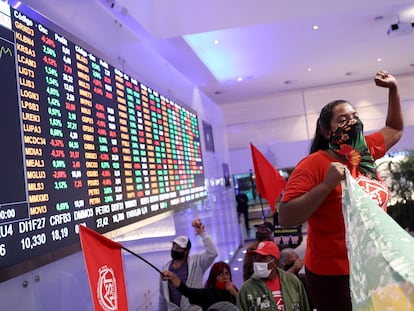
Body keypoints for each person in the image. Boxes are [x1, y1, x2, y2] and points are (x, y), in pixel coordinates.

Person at [279, 70, 403, 311]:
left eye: (355, 116)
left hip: (372, 264)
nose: (352, 122)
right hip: (333, 275)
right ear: (327, 132)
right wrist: (326, 185)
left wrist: (393, 89)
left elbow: (395, 128)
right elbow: (286, 216)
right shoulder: (314, 164)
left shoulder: (364, 151)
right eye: (343, 119)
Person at [158, 218, 218, 311]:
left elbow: (213, 253)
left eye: (178, 248)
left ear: (186, 251)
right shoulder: (166, 268)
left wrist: (202, 233)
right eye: (173, 246)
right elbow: (163, 297)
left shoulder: (197, 262)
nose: (174, 249)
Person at [237, 241, 310, 311]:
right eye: (256, 258)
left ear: (275, 262)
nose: (258, 262)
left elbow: (304, 307)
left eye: (263, 258)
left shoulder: (293, 281)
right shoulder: (246, 290)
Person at [161, 261, 238, 311]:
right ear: (214, 277)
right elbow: (187, 291)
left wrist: (235, 293)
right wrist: (173, 278)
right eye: (220, 274)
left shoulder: (233, 291)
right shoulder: (207, 293)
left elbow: (245, 305)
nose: (225, 277)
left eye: (227, 273)